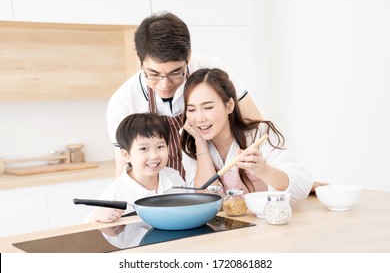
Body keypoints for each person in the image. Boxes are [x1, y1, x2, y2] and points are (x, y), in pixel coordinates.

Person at [106, 12, 262, 179]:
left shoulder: (212, 70)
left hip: (220, 183)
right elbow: (122, 170)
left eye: (175, 73)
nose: (164, 84)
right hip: (161, 192)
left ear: (188, 56)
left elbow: (255, 127)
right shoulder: (123, 101)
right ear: (140, 61)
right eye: (153, 74)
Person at [180, 68, 313, 201]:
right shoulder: (191, 143)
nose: (199, 118)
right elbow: (204, 200)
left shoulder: (260, 133)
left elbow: (300, 187)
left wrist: (262, 169)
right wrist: (200, 144)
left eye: (208, 107)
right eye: (191, 109)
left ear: (229, 105)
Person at [88, 113, 186, 223]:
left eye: (160, 147)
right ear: (126, 155)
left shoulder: (174, 177)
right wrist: (96, 219)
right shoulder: (115, 192)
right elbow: (92, 223)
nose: (154, 156)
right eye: (143, 148)